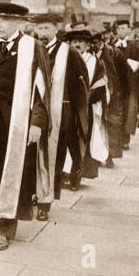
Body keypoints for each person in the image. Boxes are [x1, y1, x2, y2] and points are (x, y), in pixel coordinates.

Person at [0, 3, 51, 251]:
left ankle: (5, 229)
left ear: (18, 23)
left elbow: (42, 89)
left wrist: (37, 122)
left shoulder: (34, 48)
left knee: (15, 173)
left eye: (3, 20)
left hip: (17, 122)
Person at [32, 13, 88, 219]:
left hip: (61, 111)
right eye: (39, 29)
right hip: (33, 110)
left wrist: (75, 116)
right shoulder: (32, 50)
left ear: (56, 29)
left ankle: (45, 203)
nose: (42, 33)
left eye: (46, 28)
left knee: (53, 156)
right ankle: (34, 194)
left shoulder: (69, 53)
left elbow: (81, 88)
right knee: (33, 155)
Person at [67, 30, 109, 180]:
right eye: (74, 42)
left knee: (84, 139)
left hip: (87, 108)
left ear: (86, 44)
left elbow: (101, 84)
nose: (77, 44)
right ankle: (67, 172)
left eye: (80, 41)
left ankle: (78, 175)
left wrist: (87, 99)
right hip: (68, 106)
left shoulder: (95, 62)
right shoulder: (66, 59)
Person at [90, 31, 127, 167]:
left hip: (113, 93)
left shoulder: (113, 52)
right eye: (91, 43)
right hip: (98, 93)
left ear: (101, 41)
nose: (93, 45)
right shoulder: (90, 54)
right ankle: (99, 155)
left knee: (112, 124)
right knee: (98, 125)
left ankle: (110, 156)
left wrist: (119, 91)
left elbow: (123, 73)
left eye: (96, 43)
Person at [112, 20, 139, 150]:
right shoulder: (112, 45)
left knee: (129, 111)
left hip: (130, 83)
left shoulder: (135, 45)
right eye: (119, 29)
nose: (121, 31)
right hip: (116, 84)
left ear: (129, 30)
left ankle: (125, 139)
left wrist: (131, 66)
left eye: (123, 28)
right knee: (116, 111)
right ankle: (116, 139)